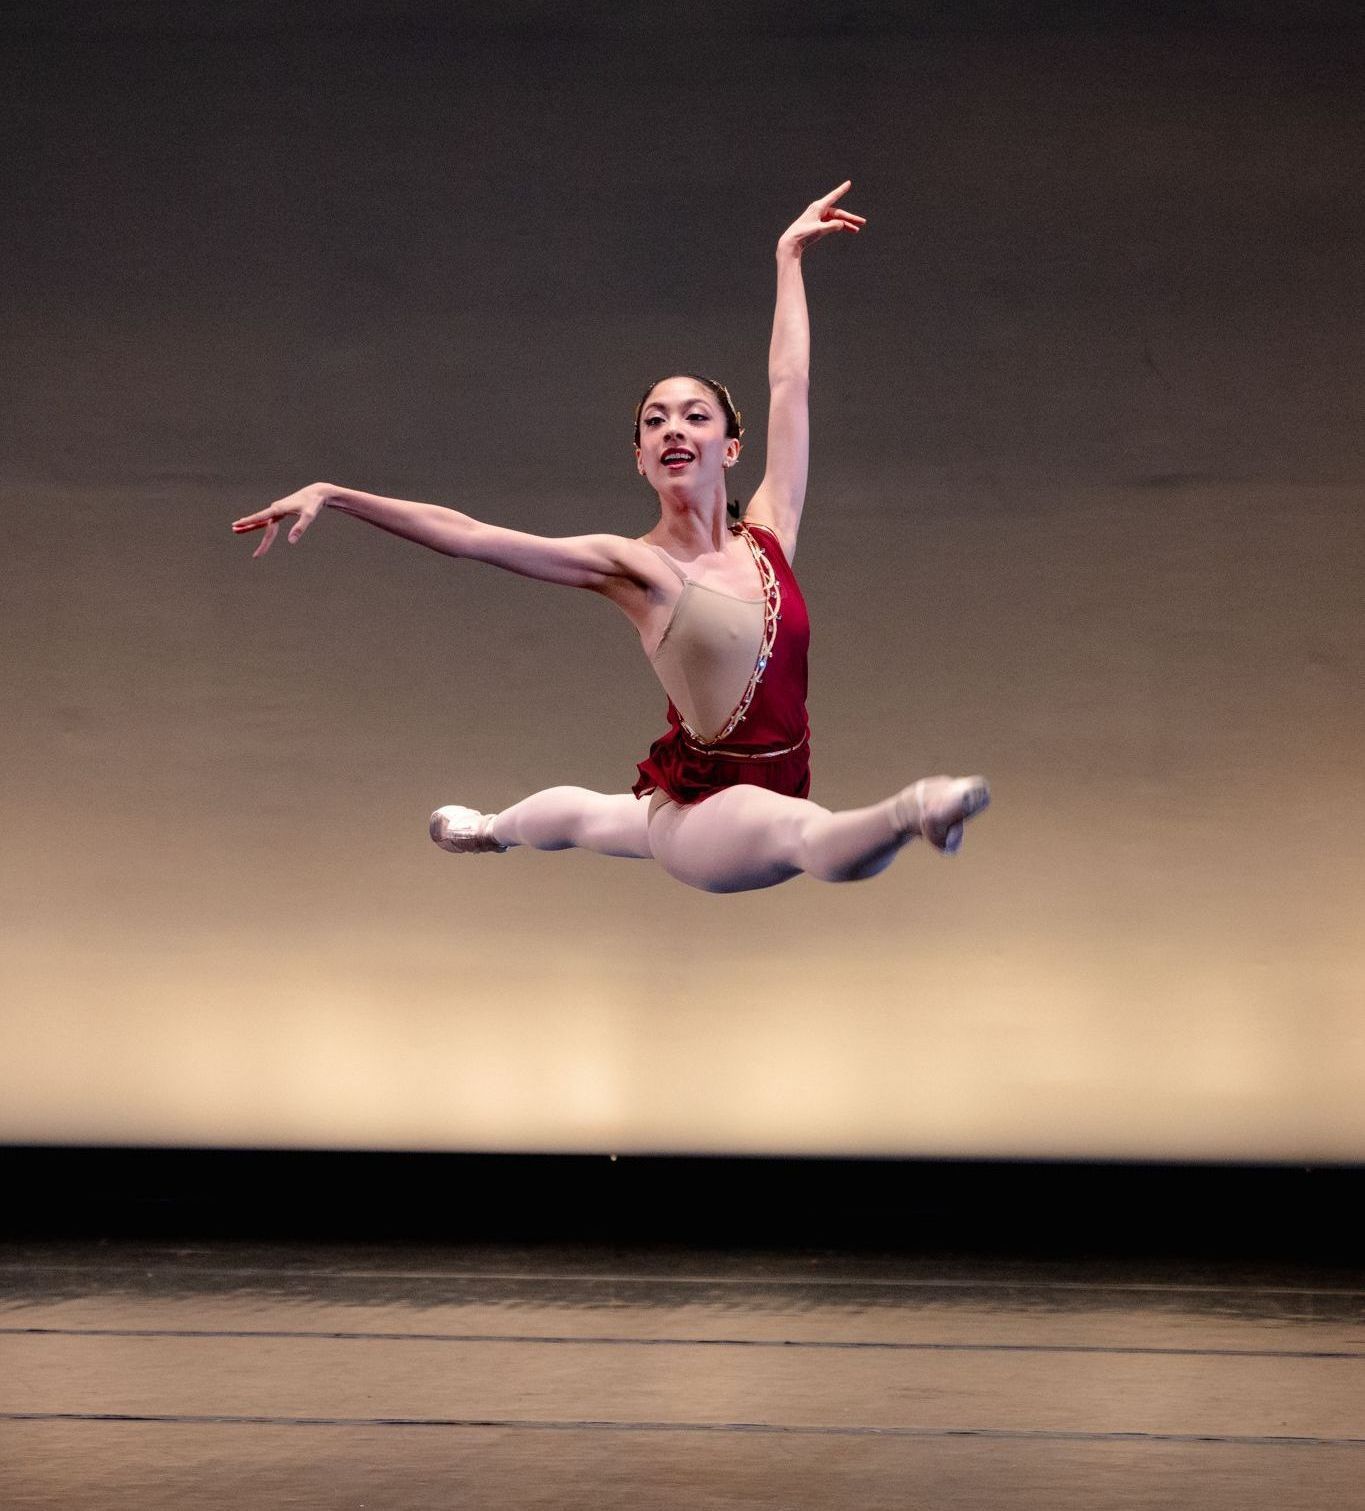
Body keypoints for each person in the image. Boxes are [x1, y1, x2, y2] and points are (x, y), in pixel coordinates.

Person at [231, 182, 989, 894]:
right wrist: (335, 493)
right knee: (801, 836)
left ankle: (491, 828)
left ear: (730, 446)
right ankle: (914, 809)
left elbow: (789, 384)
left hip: (750, 780)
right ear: (640, 458)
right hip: (709, 816)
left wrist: (787, 258)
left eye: (694, 415)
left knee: (590, 818)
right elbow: (468, 536)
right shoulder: (636, 567)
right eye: (654, 421)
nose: (672, 429)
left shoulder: (769, 536)